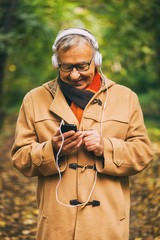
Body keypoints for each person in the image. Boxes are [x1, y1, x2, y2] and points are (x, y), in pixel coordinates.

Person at [11, 28, 153, 240]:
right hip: (56, 224)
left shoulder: (126, 98)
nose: (74, 74)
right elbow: (20, 157)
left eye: (82, 66)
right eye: (66, 67)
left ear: (96, 60)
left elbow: (143, 153)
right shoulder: (34, 99)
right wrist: (52, 149)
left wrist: (106, 147)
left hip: (108, 224)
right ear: (56, 63)